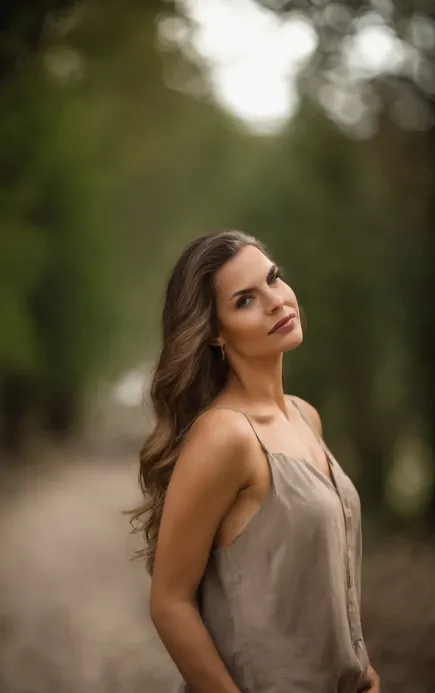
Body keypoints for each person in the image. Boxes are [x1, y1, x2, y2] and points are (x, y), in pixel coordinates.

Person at [131, 230, 381, 693]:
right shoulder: (225, 436)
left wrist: (361, 671)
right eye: (245, 300)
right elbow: (169, 602)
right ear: (214, 333)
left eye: (274, 279)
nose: (277, 302)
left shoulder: (306, 417)